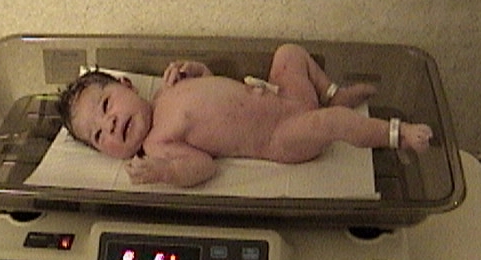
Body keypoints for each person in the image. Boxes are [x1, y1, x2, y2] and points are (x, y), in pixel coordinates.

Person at [57, 44, 433, 187]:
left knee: (288, 54)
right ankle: (396, 135)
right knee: (331, 124)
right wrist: (165, 173)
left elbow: (217, 90)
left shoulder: (167, 91)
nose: (109, 124)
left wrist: (200, 71)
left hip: (284, 98)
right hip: (280, 135)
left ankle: (333, 94)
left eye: (105, 106)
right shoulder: (157, 144)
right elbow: (203, 166)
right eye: (98, 136)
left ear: (127, 85)